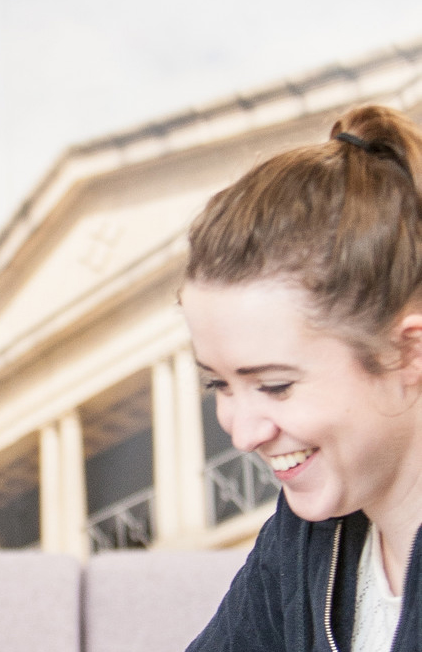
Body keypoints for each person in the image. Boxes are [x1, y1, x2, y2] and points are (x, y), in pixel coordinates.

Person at [182, 103, 422, 652]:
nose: (242, 434)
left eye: (274, 385)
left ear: (408, 352)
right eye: (218, 384)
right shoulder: (304, 537)